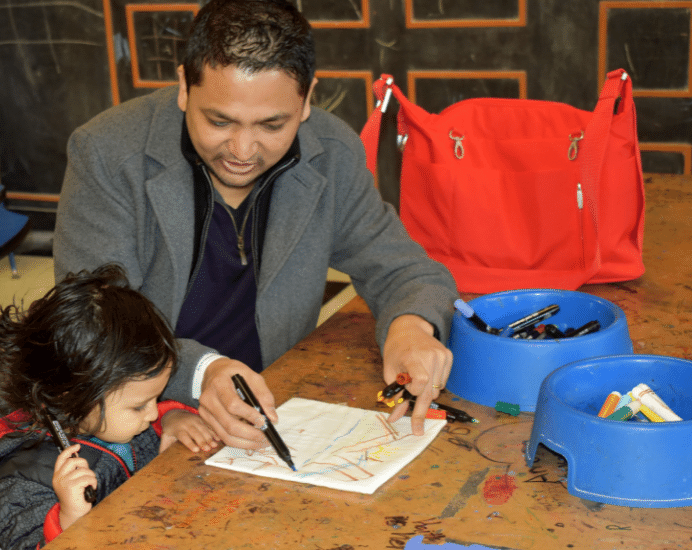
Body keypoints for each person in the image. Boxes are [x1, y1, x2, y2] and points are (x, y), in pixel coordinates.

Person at [54, 0, 458, 443]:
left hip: (272, 402)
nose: (243, 151)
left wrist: (410, 326)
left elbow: (405, 270)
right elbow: (92, 328)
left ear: (306, 100)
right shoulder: (109, 154)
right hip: (140, 413)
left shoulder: (331, 152)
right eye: (220, 121)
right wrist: (201, 374)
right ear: (185, 88)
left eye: (272, 125)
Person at [0, 264, 218, 550]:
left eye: (157, 399)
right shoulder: (18, 486)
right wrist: (68, 520)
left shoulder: (113, 419)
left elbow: (147, 425)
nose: (152, 413)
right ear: (73, 396)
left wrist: (172, 417)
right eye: (140, 406)